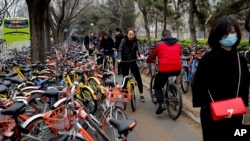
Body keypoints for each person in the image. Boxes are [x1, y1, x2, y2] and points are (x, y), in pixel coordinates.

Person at [191, 16, 250, 141]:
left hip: (235, 113)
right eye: (225, 32)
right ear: (217, 34)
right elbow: (198, 85)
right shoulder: (208, 59)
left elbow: (245, 84)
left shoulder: (241, 59)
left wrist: (242, 105)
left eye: (232, 32)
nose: (229, 35)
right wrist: (208, 105)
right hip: (212, 114)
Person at [147, 29, 182, 114]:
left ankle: (161, 104)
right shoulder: (178, 44)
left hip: (164, 69)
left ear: (162, 36)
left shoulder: (159, 44)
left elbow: (153, 55)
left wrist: (148, 60)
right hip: (177, 69)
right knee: (171, 79)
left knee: (157, 86)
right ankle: (171, 92)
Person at [117, 28, 145, 102]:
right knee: (125, 79)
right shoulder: (123, 41)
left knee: (138, 78)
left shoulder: (136, 41)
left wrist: (141, 55)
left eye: (132, 34)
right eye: (130, 34)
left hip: (133, 61)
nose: (131, 36)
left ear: (134, 34)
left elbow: (139, 49)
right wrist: (119, 59)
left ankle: (141, 94)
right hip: (124, 61)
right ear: (127, 34)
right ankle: (124, 93)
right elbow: (120, 50)